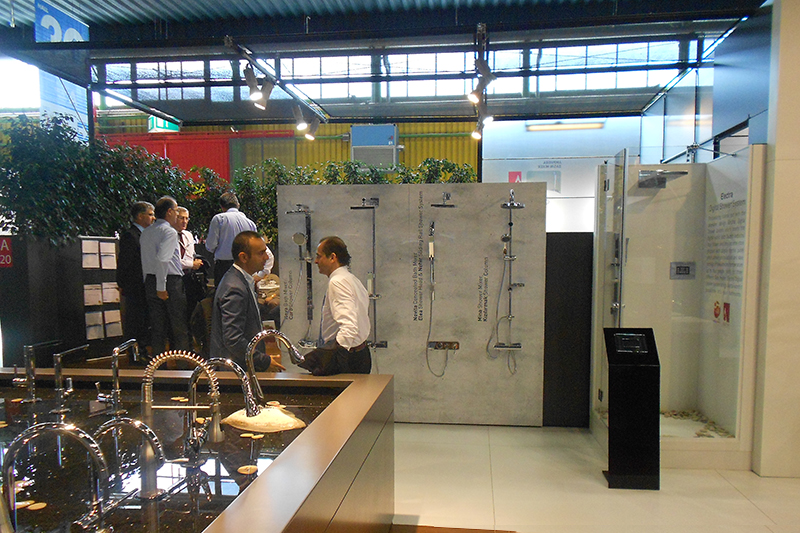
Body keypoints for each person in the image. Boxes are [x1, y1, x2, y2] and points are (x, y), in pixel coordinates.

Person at [210, 231, 284, 372]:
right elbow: (233, 339)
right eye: (261, 253)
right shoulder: (234, 287)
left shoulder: (241, 280)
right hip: (235, 371)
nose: (266, 257)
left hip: (240, 367)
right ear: (244, 257)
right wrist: (263, 360)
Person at [299, 236, 371, 375]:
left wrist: (333, 358)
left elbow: (349, 326)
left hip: (348, 356)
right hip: (358, 352)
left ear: (332, 257)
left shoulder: (337, 282)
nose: (316, 261)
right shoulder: (351, 279)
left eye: (319, 256)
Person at [140, 196, 190, 357]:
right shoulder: (169, 232)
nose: (177, 214)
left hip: (150, 280)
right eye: (176, 211)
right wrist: (161, 287)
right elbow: (163, 260)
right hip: (169, 282)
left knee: (157, 328)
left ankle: (158, 365)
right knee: (179, 326)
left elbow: (145, 260)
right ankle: (183, 366)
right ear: (169, 212)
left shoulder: (146, 232)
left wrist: (151, 283)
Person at [116, 201, 155, 352]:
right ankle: (135, 354)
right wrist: (123, 284)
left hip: (146, 286)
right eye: (150, 214)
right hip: (135, 287)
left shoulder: (148, 235)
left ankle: (143, 350)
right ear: (139, 216)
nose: (153, 218)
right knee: (135, 322)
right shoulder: (130, 236)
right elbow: (125, 263)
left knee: (145, 322)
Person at [205, 192, 258, 284]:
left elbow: (211, 245)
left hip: (224, 266)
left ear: (222, 207)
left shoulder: (219, 219)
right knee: (244, 291)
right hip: (246, 264)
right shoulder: (250, 223)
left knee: (224, 292)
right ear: (238, 205)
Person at [172, 206, 207, 322]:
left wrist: (195, 263)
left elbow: (190, 255)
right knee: (178, 311)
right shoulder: (168, 235)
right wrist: (191, 264)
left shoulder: (188, 235)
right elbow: (173, 261)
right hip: (175, 277)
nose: (184, 221)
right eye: (181, 218)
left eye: (187, 218)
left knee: (191, 309)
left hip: (189, 278)